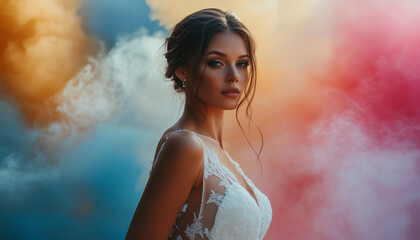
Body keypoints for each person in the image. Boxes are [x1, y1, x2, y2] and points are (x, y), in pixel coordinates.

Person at [126, 8, 272, 240]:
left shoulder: (220, 153)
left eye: (242, 63)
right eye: (216, 63)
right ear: (183, 70)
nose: (234, 75)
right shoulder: (185, 146)